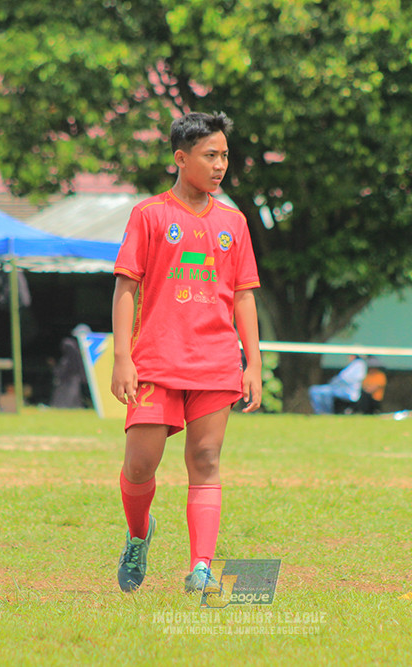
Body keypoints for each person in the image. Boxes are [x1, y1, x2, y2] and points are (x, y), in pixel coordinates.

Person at [110, 111, 261, 595]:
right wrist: (121, 358)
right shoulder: (149, 215)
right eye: (210, 156)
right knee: (139, 465)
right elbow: (125, 287)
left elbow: (242, 294)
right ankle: (139, 535)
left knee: (206, 457)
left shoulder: (234, 222)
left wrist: (252, 363)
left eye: (224, 157)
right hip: (155, 359)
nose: (220, 166)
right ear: (181, 158)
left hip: (216, 361)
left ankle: (200, 566)